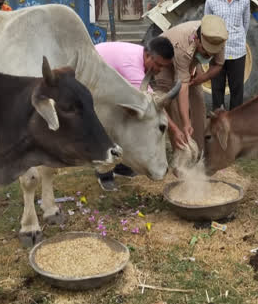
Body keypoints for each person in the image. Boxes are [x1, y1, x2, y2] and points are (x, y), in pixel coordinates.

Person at [93, 37, 181, 191]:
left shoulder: (140, 56)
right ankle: (104, 174)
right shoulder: (132, 66)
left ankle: (122, 166)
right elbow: (153, 104)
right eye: (158, 65)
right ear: (147, 56)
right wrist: (175, 129)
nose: (159, 70)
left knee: (126, 120)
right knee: (107, 124)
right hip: (91, 77)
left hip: (107, 76)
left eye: (163, 67)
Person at [155, 15, 228, 151]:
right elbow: (182, 87)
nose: (208, 55)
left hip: (190, 61)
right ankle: (181, 153)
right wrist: (186, 123)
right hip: (165, 59)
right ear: (197, 39)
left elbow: (218, 64)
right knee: (171, 103)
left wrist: (203, 78)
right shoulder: (183, 45)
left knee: (198, 101)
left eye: (211, 53)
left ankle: (199, 151)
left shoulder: (217, 39)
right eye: (205, 51)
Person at [204, 0, 250, 110]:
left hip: (237, 52)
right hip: (217, 52)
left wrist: (239, 40)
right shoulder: (211, 2)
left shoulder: (244, 1)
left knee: (237, 90)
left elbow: (246, 25)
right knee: (217, 90)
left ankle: (235, 122)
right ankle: (218, 121)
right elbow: (207, 25)